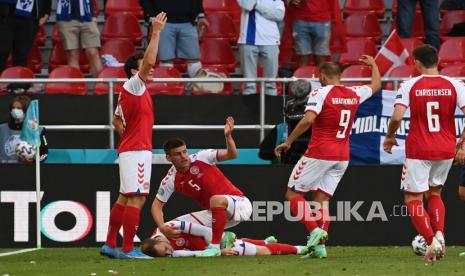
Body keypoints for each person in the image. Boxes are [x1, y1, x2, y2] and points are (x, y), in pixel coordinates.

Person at [274, 56, 381, 259]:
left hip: (320, 152)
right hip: (342, 155)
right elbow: (376, 86)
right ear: (339, 76)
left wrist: (289, 141)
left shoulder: (320, 92)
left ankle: (315, 231)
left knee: (293, 194)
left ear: (322, 76)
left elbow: (308, 119)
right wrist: (374, 65)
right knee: (321, 200)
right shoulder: (354, 92)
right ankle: (320, 248)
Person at [383, 44, 465, 264]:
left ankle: (431, 242)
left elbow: (397, 116)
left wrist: (390, 136)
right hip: (446, 148)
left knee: (413, 197)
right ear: (437, 61)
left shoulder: (410, 85)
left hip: (419, 149)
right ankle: (440, 235)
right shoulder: (455, 85)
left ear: (417, 62)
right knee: (435, 193)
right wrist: (463, 143)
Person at [100, 12, 167, 259]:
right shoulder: (134, 86)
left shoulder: (131, 91)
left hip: (132, 148)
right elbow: (148, 62)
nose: (151, 69)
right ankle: (128, 249)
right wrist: (156, 32)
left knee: (124, 198)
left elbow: (115, 118)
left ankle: (109, 244)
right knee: (137, 199)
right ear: (132, 72)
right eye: (144, 68)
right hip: (136, 150)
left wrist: (126, 135)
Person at [152, 117, 253, 257]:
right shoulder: (171, 179)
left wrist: (228, 137)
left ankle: (215, 247)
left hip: (239, 204)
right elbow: (156, 206)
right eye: (178, 154)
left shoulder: (201, 157)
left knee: (216, 199)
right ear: (169, 158)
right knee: (172, 225)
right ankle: (232, 240)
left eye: (185, 151)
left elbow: (232, 154)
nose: (184, 156)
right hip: (216, 215)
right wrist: (163, 227)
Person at [140, 220, 307, 257]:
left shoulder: (172, 226)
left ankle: (300, 248)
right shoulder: (166, 252)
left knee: (262, 252)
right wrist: (215, 252)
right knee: (241, 243)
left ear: (160, 239)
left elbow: (205, 231)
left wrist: (216, 248)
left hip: (212, 236)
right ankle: (265, 241)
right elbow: (190, 254)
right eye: (166, 254)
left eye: (167, 249)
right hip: (209, 249)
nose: (170, 252)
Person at [140, 0, 208, 77]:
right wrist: (150, 17)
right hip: (163, 22)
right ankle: (168, 87)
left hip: (189, 22)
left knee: (194, 59)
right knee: (165, 59)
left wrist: (200, 16)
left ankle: (198, 87)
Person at [237, 0, 285, 95]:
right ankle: (248, 108)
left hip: (271, 40)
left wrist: (257, 5)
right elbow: (248, 6)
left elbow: (279, 15)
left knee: (270, 84)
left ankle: (271, 108)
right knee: (249, 85)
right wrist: (267, 10)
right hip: (248, 39)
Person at [0, 0, 51, 73]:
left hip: (28, 17)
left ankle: (18, 83)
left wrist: (46, 12)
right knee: (2, 53)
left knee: (21, 55)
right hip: (3, 16)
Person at [56, 0, 102, 77]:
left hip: (87, 15)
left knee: (93, 52)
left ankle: (102, 86)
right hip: (66, 15)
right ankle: (76, 86)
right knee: (72, 54)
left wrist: (93, 15)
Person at [0, 95, 48, 163]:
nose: (15, 110)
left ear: (27, 110)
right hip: (4, 170)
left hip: (27, 170)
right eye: (13, 108)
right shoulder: (1, 128)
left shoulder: (38, 130)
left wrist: (33, 160)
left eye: (19, 108)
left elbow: (44, 153)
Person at [287, 0, 331, 66]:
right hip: (301, 19)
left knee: (320, 56)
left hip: (321, 19)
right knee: (303, 55)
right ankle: (302, 75)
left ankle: (321, 76)